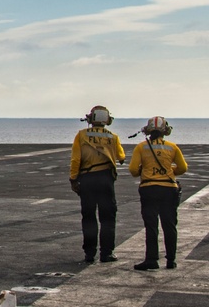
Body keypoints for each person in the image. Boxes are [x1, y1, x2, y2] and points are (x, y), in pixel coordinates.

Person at [68, 105, 126, 264]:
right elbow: (121, 156)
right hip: (105, 179)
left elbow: (75, 160)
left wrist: (73, 179)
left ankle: (89, 253)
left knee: (88, 217)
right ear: (107, 120)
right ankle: (106, 253)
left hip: (87, 179)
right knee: (108, 217)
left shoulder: (81, 135)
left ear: (90, 119)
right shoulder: (113, 137)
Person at [129, 116, 188, 271]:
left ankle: (152, 260)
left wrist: (145, 170)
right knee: (169, 225)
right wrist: (169, 170)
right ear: (165, 131)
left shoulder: (142, 147)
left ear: (148, 130)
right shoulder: (172, 147)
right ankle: (171, 260)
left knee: (151, 225)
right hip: (169, 189)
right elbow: (183, 168)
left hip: (149, 189)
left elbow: (134, 170)